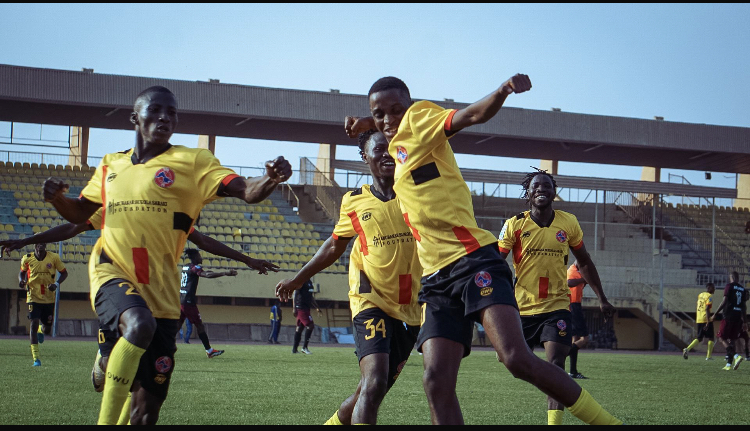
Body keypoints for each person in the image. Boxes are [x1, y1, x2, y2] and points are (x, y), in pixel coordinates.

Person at [344, 75, 621, 425]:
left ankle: (609, 424)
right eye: (378, 113)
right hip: (435, 280)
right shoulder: (397, 147)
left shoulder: (419, 120)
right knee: (435, 380)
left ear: (409, 107)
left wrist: (502, 91)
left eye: (395, 110)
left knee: (515, 358)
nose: (387, 119)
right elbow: (388, 122)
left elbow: (471, 115)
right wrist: (371, 121)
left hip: (472, 260)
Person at [42, 85, 291, 425]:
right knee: (139, 324)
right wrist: (58, 199)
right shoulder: (110, 165)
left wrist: (271, 178)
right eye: (156, 110)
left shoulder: (193, 162)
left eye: (172, 112)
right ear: (135, 118)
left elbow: (246, 191)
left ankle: (107, 359)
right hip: (112, 270)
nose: (165, 117)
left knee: (145, 414)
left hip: (162, 291)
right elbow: (79, 213)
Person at [276, 130, 422, 425]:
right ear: (364, 157)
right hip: (370, 299)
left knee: (370, 391)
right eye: (378, 149)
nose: (386, 154)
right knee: (375, 381)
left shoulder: (417, 195)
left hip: (410, 305)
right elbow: (333, 245)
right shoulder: (354, 201)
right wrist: (298, 279)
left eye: (391, 148)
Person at [498, 170, 615, 424]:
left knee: (555, 365)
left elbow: (584, 261)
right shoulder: (514, 224)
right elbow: (498, 262)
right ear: (528, 193)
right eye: (536, 186)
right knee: (512, 362)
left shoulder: (568, 223)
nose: (541, 189)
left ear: (554, 192)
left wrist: (602, 297)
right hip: (523, 307)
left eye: (547, 186)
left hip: (557, 307)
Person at [180, 249, 238, 358]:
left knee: (175, 326)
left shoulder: (185, 266)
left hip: (181, 300)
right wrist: (225, 273)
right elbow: (206, 274)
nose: (201, 257)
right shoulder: (194, 267)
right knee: (199, 326)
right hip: (188, 302)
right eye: (199, 255)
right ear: (195, 257)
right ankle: (209, 350)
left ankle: (160, 348)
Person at [18, 243, 67, 366]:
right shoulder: (27, 258)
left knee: (47, 329)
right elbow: (22, 272)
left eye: (43, 243)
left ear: (45, 244)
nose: (41, 245)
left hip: (48, 298)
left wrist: (55, 284)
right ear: (35, 245)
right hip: (33, 296)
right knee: (33, 323)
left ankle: (41, 329)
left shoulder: (54, 257)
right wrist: (21, 280)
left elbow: (64, 273)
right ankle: (36, 359)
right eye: (38, 243)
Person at [711, 272, 747, 371]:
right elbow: (744, 307)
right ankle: (729, 364)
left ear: (731, 277)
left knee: (721, 337)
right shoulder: (743, 289)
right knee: (732, 340)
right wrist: (745, 322)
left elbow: (725, 301)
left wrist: (715, 313)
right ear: (738, 278)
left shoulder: (729, 286)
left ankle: (736, 356)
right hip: (738, 317)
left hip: (728, 315)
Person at [566, 260, 590, 378]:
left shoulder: (578, 271)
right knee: (584, 338)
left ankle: (573, 372)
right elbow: (569, 282)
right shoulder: (572, 271)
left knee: (574, 338)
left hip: (574, 305)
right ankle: (561, 355)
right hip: (573, 305)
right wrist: (584, 279)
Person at [682, 283, 716, 361]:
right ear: (709, 288)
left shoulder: (700, 295)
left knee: (699, 338)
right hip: (706, 318)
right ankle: (708, 356)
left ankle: (687, 349)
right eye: (713, 288)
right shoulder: (709, 296)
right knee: (711, 337)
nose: (714, 289)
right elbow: (707, 308)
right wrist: (708, 321)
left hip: (699, 318)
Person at [292, 279, 322, 354]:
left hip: (306, 308)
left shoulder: (310, 282)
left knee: (299, 328)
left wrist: (316, 307)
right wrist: (294, 308)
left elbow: (310, 297)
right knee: (310, 325)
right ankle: (304, 347)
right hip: (301, 307)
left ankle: (294, 350)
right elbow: (295, 294)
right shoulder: (301, 281)